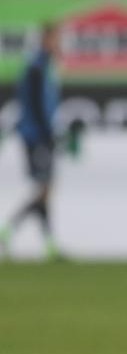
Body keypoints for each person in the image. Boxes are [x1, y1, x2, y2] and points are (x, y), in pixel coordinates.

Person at [0, 23, 64, 260]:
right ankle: (9, 229)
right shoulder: (37, 67)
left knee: (44, 189)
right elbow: (36, 106)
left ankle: (49, 243)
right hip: (36, 136)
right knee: (45, 188)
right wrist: (48, 133)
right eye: (56, 39)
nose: (59, 45)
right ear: (47, 39)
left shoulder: (44, 66)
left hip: (38, 134)